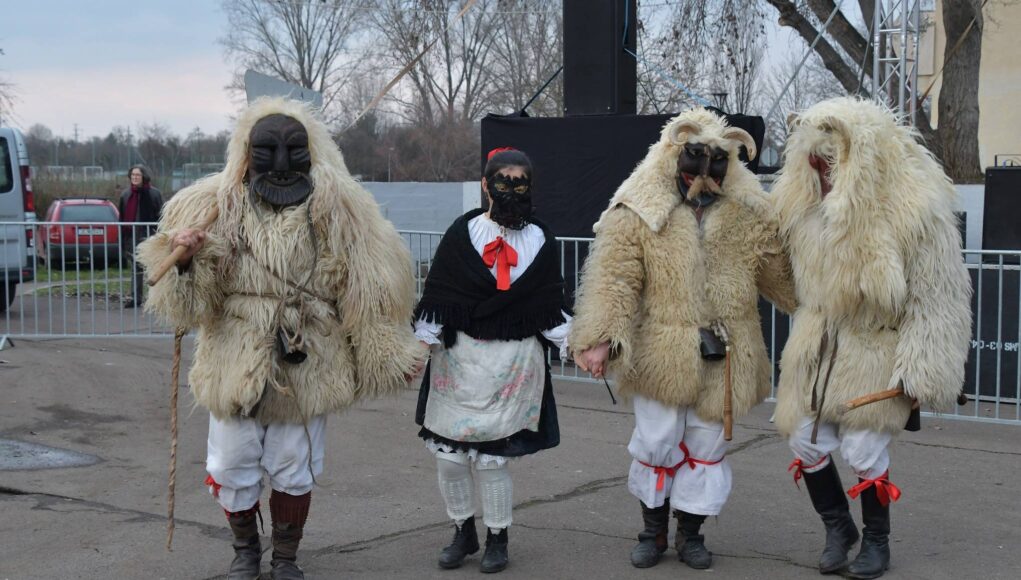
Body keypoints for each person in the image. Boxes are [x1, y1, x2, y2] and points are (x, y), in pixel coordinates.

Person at [137, 97, 426, 580]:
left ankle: (286, 558)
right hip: (234, 358)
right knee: (230, 466)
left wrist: (387, 352)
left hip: (306, 357)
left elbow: (371, 287)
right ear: (246, 153)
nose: (282, 162)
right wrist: (186, 261)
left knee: (294, 466)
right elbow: (186, 308)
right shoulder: (211, 206)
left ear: (312, 150)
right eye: (267, 149)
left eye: (295, 149)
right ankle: (245, 551)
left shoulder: (342, 207)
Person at [570, 109, 796, 570]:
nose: (705, 171)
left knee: (707, 444)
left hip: (727, 351)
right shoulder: (640, 211)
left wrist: (824, 290)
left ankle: (690, 533)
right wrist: (600, 338)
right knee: (656, 441)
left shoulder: (750, 215)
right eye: (696, 157)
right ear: (675, 154)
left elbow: (782, 279)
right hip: (661, 350)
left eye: (719, 160)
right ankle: (652, 532)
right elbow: (616, 277)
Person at [771, 97, 972, 579]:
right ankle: (838, 528)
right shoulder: (802, 214)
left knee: (863, 450)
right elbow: (783, 279)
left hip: (875, 350)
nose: (820, 173)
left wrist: (922, 370)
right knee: (804, 439)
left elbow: (938, 298)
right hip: (816, 351)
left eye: (829, 163)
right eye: (813, 163)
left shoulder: (915, 213)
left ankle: (877, 541)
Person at [413, 147, 571, 574]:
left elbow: (548, 306)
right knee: (450, 457)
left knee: (492, 460)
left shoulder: (540, 238)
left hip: (514, 363)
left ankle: (497, 539)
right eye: (504, 181)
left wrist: (583, 346)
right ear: (486, 185)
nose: (512, 190)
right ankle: (463, 533)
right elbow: (439, 297)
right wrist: (416, 348)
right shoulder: (462, 235)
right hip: (457, 360)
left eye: (521, 183)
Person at [118, 164, 163, 308]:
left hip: (150, 236)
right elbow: (122, 217)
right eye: (133, 175)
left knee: (154, 268)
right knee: (135, 268)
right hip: (132, 237)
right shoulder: (126, 195)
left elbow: (161, 215)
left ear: (144, 177)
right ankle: (135, 298)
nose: (135, 178)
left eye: (137, 175)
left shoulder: (154, 194)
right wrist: (123, 237)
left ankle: (156, 300)